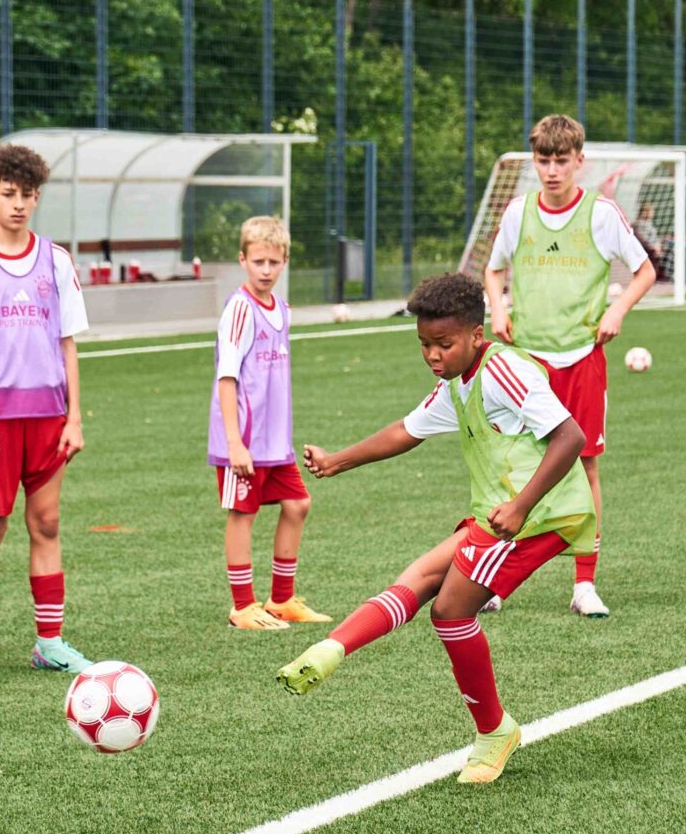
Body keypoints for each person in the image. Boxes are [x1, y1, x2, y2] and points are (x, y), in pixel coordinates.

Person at [274, 272, 590, 786]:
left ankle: (494, 731)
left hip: (540, 514)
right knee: (420, 576)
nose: (433, 356)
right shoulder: (456, 384)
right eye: (424, 344)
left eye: (444, 344)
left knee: (448, 610)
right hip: (501, 512)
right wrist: (337, 461)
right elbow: (406, 431)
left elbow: (569, 436)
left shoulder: (505, 371)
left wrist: (521, 506)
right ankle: (332, 650)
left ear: (476, 335)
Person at [482, 113, 658, 618]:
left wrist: (617, 310)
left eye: (562, 160)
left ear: (580, 162)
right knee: (517, 472)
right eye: (544, 160)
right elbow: (493, 271)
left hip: (582, 358)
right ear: (534, 161)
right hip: (526, 363)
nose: (552, 170)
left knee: (584, 468)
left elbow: (645, 270)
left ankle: (584, 583)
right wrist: (498, 307)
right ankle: (498, 581)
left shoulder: (602, 214)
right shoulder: (518, 213)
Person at [0, 140, 92, 678]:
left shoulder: (55, 260)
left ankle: (49, 642)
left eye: (28, 195)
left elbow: (68, 340)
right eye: (9, 194)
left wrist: (74, 416)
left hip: (48, 418)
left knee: (46, 524)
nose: (20, 204)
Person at [211, 215, 324, 629]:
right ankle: (242, 606)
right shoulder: (240, 309)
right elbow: (227, 378)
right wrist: (233, 444)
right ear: (242, 260)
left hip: (276, 442)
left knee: (298, 504)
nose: (265, 271)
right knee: (243, 514)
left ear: (285, 262)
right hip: (243, 440)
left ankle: (281, 599)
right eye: (257, 261)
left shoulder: (283, 310)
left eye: (273, 263)